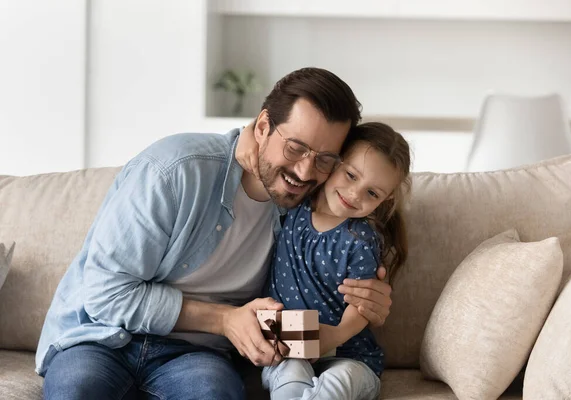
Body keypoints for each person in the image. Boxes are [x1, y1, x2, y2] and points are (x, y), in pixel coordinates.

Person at [36, 67, 394, 400]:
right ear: (263, 126)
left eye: (324, 159)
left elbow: (334, 260)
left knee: (214, 392)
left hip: (197, 354)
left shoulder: (306, 209)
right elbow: (105, 293)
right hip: (102, 338)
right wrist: (224, 319)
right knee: (77, 390)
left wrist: (366, 301)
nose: (304, 170)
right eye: (295, 148)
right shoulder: (173, 171)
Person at [239, 121, 411, 399]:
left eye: (372, 193)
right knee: (289, 377)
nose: (355, 194)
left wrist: (334, 336)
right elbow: (266, 141)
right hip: (286, 347)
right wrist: (247, 136)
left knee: (339, 381)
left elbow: (363, 303)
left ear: (385, 200)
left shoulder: (360, 239)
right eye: (351, 175)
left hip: (351, 356)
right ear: (333, 161)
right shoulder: (294, 201)